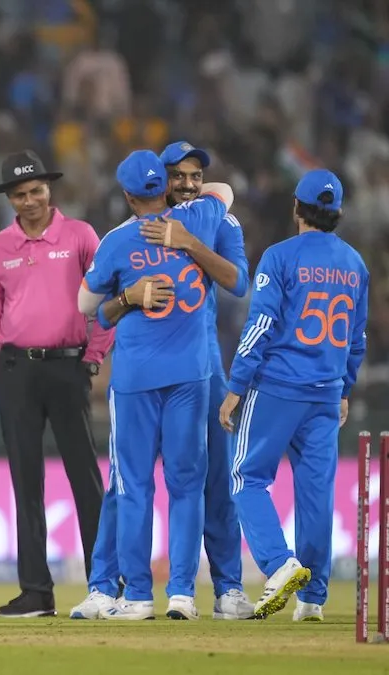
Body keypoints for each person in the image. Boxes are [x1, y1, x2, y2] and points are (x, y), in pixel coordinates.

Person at [71, 141, 254, 621]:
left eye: (196, 176)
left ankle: (143, 593)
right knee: (186, 483)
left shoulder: (119, 239)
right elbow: (224, 192)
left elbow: (89, 309)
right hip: (193, 369)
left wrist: (130, 296)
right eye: (180, 177)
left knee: (137, 484)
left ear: (128, 196)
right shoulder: (209, 215)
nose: (190, 184)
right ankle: (172, 593)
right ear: (166, 183)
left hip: (155, 374)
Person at [0, 150, 113, 618]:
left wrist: (93, 358)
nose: (30, 200)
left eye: (37, 191)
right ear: (9, 198)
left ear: (50, 190)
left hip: (68, 367)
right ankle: (36, 591)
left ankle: (104, 584)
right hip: (15, 373)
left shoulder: (81, 235)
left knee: (85, 480)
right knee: (25, 481)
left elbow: (107, 298)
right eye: (21, 194)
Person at [220, 170, 368, 621]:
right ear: (337, 213)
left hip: (278, 387)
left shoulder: (281, 257)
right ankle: (313, 599)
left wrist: (235, 386)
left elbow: (261, 324)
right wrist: (344, 387)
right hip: (325, 394)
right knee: (316, 494)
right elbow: (355, 339)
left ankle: (279, 564)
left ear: (296, 208)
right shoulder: (355, 264)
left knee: (247, 477)